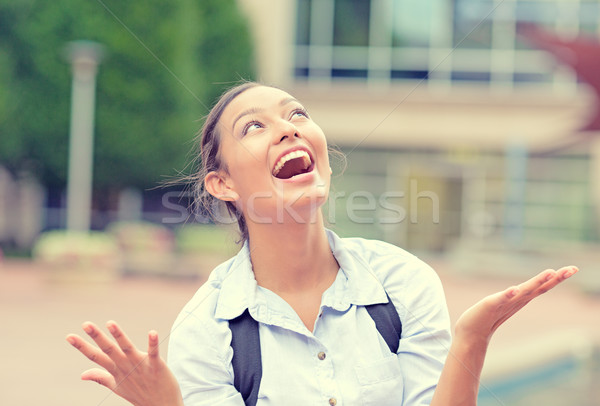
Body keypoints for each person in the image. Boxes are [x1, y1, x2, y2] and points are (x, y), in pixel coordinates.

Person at [66, 82, 578, 406]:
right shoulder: (208, 331)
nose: (288, 129)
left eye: (296, 114)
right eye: (254, 127)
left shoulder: (403, 284)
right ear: (222, 185)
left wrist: (472, 340)